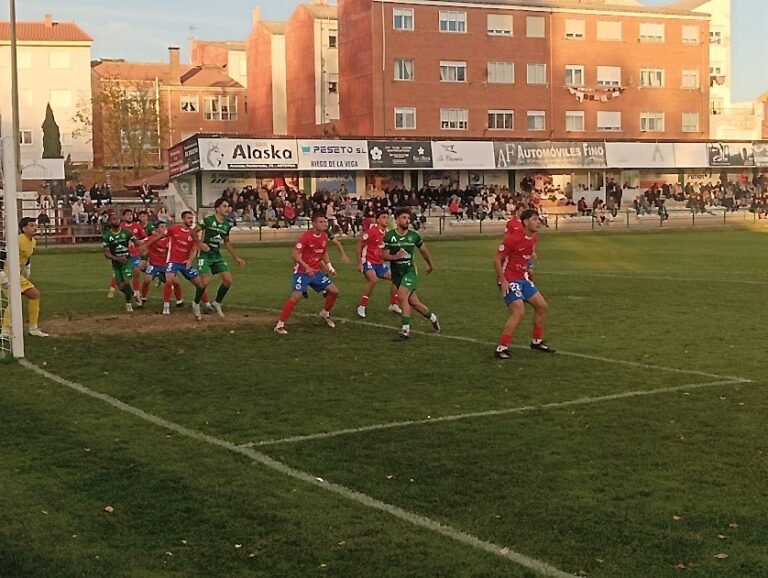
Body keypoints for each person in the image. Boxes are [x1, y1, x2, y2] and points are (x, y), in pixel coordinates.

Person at [492, 209, 555, 359]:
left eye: (538, 219)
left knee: (542, 306)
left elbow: (525, 257)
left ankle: (536, 341)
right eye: (535, 219)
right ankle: (502, 347)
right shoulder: (512, 239)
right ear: (526, 222)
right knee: (519, 311)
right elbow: (496, 258)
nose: (538, 222)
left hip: (523, 278)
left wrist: (529, 270)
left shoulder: (534, 239)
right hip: (509, 278)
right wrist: (503, 280)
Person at [274, 212, 339, 335]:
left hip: (316, 272)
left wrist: (330, 267)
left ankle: (325, 313)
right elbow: (294, 254)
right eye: (321, 222)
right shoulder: (306, 236)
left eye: (325, 221)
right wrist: (306, 267)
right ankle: (279, 325)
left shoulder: (324, 236)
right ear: (314, 223)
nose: (324, 224)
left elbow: (324, 252)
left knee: (334, 291)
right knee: (296, 296)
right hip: (302, 272)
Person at [384, 208, 440, 339]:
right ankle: (433, 318)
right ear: (397, 220)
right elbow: (384, 255)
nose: (407, 220)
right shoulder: (389, 236)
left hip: (410, 271)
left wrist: (431, 265)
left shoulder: (414, 236)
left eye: (408, 218)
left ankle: (405, 329)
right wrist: (395, 257)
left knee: (402, 296)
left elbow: (424, 250)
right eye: (404, 217)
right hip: (397, 274)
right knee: (414, 303)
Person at [194, 199, 246, 318]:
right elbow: (193, 232)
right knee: (205, 281)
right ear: (217, 208)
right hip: (205, 255)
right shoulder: (208, 220)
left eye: (228, 206)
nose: (227, 208)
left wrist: (237, 258)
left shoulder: (227, 225)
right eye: (224, 206)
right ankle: (196, 303)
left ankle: (217, 302)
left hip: (216, 255)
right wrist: (200, 244)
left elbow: (227, 242)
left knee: (228, 281)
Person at [0, 218, 49, 337]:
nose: (35, 228)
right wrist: (1, 273)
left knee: (19, 298)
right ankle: (12, 329)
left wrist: (27, 268)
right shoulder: (17, 240)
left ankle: (8, 329)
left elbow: (26, 256)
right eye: (31, 225)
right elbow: (1, 253)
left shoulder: (32, 242)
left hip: (16, 274)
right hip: (8, 273)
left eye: (35, 225)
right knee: (33, 294)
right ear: (23, 229)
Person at [356, 209, 400, 318]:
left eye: (387, 217)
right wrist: (360, 263)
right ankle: (362, 306)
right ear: (378, 220)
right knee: (373, 280)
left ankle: (393, 304)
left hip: (380, 263)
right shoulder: (372, 232)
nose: (386, 219)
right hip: (368, 261)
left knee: (396, 278)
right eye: (383, 217)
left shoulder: (387, 234)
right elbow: (360, 245)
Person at [164, 211, 207, 318]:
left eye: (192, 218)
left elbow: (194, 248)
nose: (191, 220)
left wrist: (190, 260)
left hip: (185, 262)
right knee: (169, 280)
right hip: (173, 261)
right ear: (183, 219)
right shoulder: (173, 229)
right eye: (188, 218)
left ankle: (206, 304)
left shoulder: (193, 233)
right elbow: (161, 235)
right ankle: (166, 305)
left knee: (200, 283)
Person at [103, 212, 143, 312]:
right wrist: (117, 258)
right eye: (113, 219)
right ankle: (134, 294)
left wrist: (144, 246)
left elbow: (137, 242)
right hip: (116, 264)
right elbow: (106, 254)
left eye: (117, 219)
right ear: (109, 221)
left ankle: (128, 303)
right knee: (121, 287)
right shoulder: (107, 236)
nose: (115, 221)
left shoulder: (127, 233)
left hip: (127, 261)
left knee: (126, 281)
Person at [121, 208, 148, 306]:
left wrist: (141, 243)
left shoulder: (137, 226)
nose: (129, 216)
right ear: (123, 217)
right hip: (124, 255)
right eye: (127, 214)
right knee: (125, 279)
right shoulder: (121, 227)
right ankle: (129, 295)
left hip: (135, 254)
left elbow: (145, 237)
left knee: (136, 270)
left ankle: (136, 292)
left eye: (130, 214)